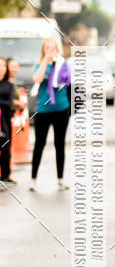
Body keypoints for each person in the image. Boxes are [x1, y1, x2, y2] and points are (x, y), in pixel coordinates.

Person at [29, 38, 71, 192]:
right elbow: (37, 79)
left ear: (57, 50)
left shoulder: (63, 65)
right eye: (46, 48)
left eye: (52, 48)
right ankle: (33, 179)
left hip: (61, 109)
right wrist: (45, 61)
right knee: (39, 144)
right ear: (43, 50)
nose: (49, 50)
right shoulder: (40, 66)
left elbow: (68, 83)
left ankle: (60, 179)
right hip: (43, 111)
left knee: (59, 144)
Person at [0, 58, 16, 186]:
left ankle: (5, 175)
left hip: (4, 119)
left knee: (6, 147)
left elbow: (9, 103)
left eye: (3, 66)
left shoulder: (9, 85)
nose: (1, 68)